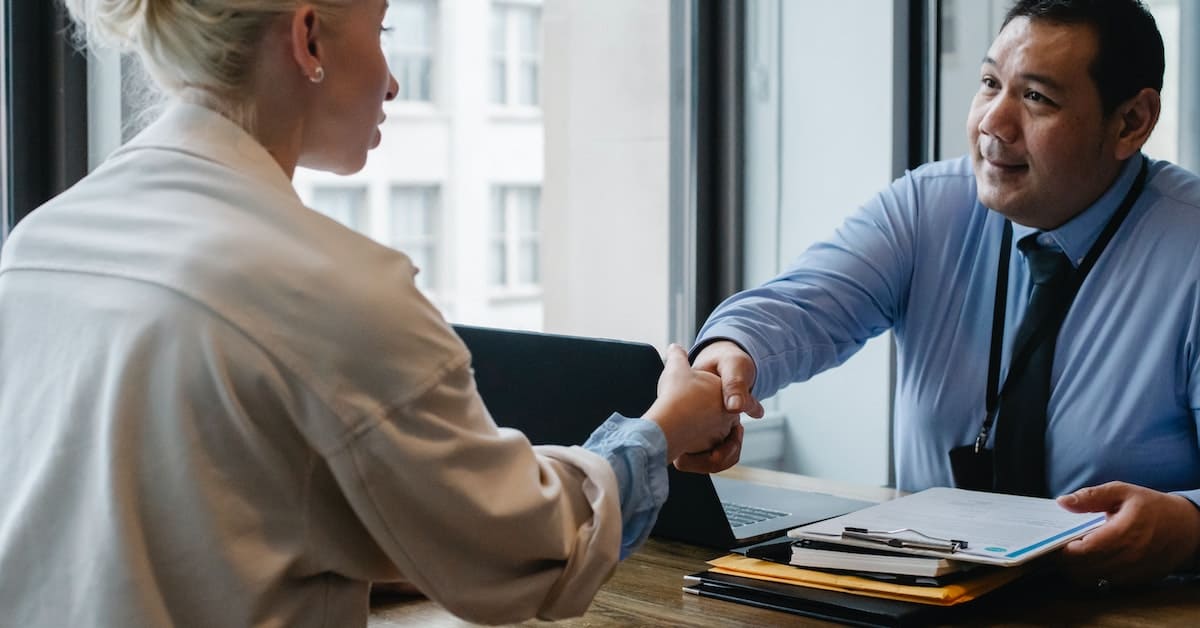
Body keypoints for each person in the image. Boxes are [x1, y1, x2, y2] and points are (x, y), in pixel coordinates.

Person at [0, 1, 742, 626]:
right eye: (383, 29)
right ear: (310, 37)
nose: (392, 82)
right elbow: (525, 549)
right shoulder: (335, 287)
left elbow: (184, 527)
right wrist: (662, 429)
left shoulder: (37, 244)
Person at [693, 0, 1200, 589]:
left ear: (1132, 121)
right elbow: (801, 305)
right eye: (989, 84)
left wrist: (1190, 525)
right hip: (930, 598)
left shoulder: (1190, 247)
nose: (994, 123)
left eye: (1037, 98)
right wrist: (732, 355)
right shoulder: (929, 206)